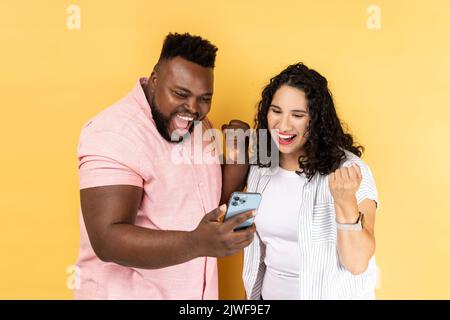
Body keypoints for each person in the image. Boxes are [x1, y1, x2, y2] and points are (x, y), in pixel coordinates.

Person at [75, 32, 254, 299]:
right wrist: (198, 243)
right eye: (180, 93)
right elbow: (107, 240)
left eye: (204, 98)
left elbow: (210, 209)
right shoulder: (113, 133)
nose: (193, 108)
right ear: (155, 80)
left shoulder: (197, 126)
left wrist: (238, 159)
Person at [241, 63, 379, 299]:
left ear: (316, 120)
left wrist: (345, 203)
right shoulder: (259, 168)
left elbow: (357, 263)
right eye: (276, 111)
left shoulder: (349, 171)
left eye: (297, 115)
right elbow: (253, 251)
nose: (283, 125)